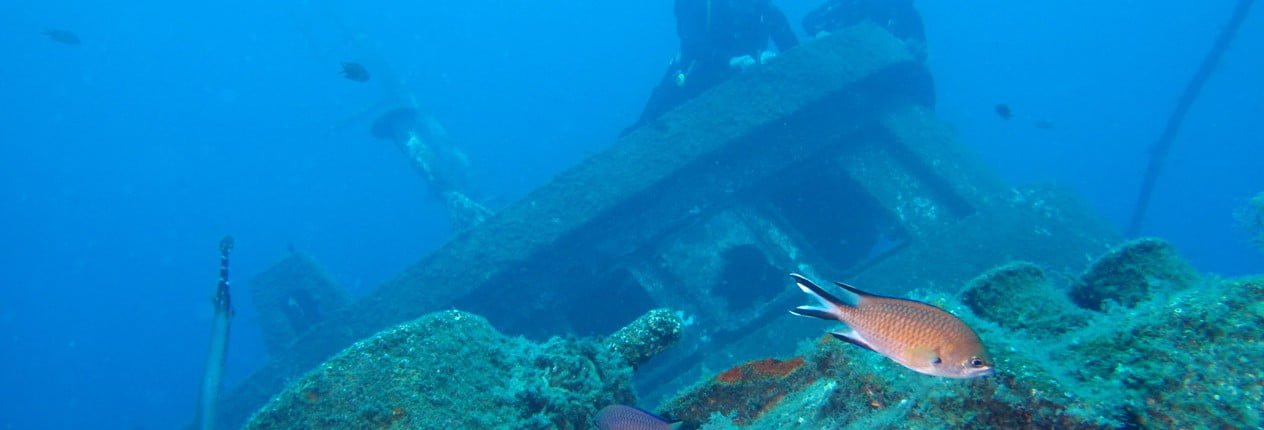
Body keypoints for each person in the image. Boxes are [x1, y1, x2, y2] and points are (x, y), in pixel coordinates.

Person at [625, 0, 799, 135]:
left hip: (739, 86)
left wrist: (778, 62)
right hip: (692, 78)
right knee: (645, 127)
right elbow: (690, 44)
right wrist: (729, 61)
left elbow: (795, 51)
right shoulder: (706, 7)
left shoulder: (766, 11)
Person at [802, 0, 934, 107]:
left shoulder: (909, 15)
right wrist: (829, 37)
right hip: (843, 78)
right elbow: (810, 22)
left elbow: (920, 58)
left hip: (885, 89)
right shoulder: (852, 4)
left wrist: (914, 53)